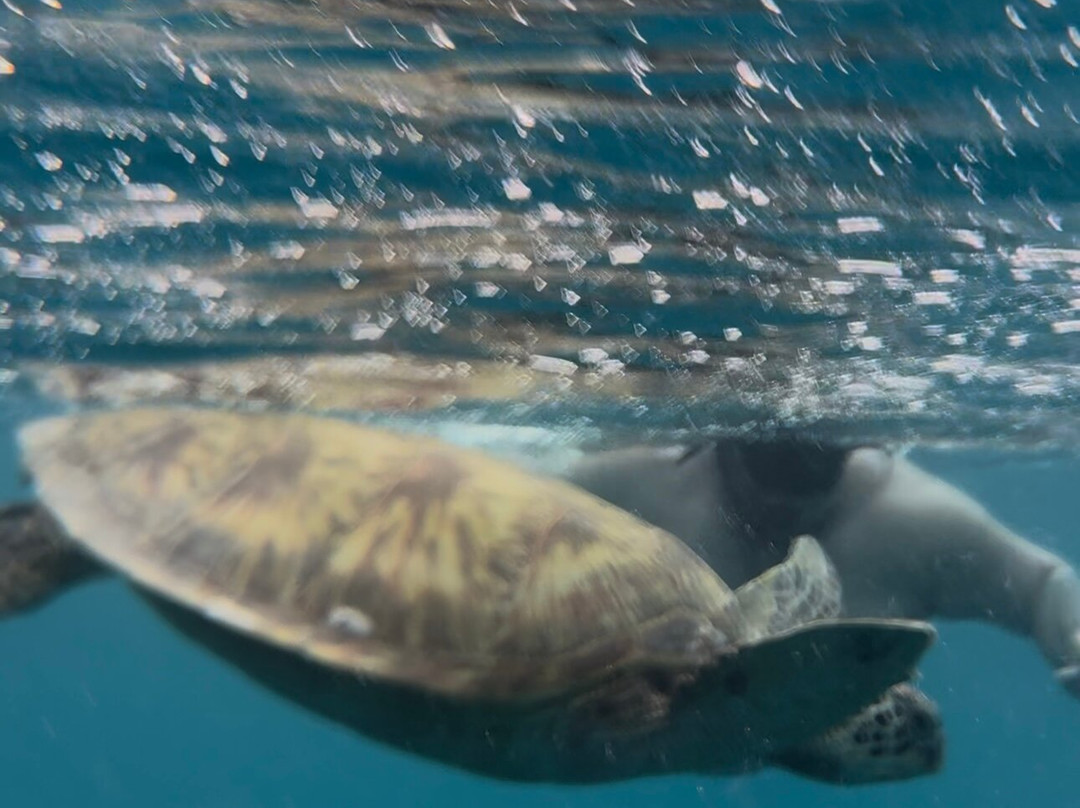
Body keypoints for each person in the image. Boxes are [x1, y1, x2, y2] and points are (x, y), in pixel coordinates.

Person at [566, 437, 1080, 699]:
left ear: (852, 458)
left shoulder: (910, 521)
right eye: (763, 492)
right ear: (722, 447)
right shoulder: (637, 485)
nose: (782, 515)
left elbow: (1042, 585)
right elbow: (495, 500)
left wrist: (1074, 639)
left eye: (808, 494)